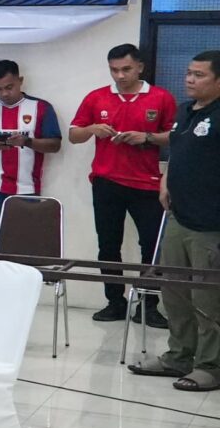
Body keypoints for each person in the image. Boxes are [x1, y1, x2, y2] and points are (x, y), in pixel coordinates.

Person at [70, 42, 177, 325]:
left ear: (140, 67)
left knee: (151, 246)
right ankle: (114, 302)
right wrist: (92, 129)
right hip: (106, 182)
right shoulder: (96, 98)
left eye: (126, 69)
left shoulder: (161, 97)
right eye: (114, 70)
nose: (120, 76)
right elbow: (73, 135)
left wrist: (147, 137)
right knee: (108, 244)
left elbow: (176, 137)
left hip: (146, 183)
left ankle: (148, 304)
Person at [133, 49, 220, 391]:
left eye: (199, 75)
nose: (189, 79)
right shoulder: (185, 112)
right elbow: (179, 152)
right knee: (175, 291)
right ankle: (179, 355)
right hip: (178, 217)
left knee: (208, 297)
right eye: (189, 72)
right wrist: (165, 180)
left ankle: (210, 366)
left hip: (211, 224)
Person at [0, 59, 62, 251]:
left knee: (25, 242)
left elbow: (55, 145)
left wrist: (26, 142)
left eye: (9, 87)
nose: (4, 94)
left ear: (20, 80)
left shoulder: (41, 108)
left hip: (27, 186)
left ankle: (21, 281)